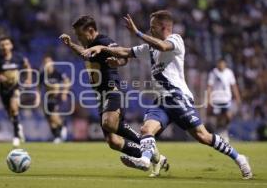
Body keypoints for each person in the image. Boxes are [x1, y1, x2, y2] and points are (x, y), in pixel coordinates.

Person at [82, 10, 252, 179]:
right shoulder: (150, 47)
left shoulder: (176, 40)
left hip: (178, 98)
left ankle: (239, 158)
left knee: (203, 136)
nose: (150, 30)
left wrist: (137, 33)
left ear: (163, 27)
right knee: (146, 129)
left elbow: (162, 46)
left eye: (152, 27)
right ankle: (145, 160)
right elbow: (125, 52)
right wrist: (103, 48)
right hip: (161, 101)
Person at [59, 15, 168, 176]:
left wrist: (118, 62)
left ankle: (147, 145)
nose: (79, 39)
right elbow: (84, 54)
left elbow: (123, 56)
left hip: (113, 90)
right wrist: (71, 45)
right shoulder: (89, 45)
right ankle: (155, 157)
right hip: (101, 96)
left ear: (90, 30)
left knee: (109, 123)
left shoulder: (104, 41)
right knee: (114, 142)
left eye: (80, 36)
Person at [0, 35, 32, 147]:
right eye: (2, 45)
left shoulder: (18, 57)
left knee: (14, 107)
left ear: (11, 45)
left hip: (16, 87)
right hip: (3, 89)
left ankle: (16, 136)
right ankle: (18, 126)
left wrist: (28, 78)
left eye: (7, 44)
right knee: (10, 113)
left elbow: (27, 66)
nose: (5, 47)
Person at [207, 59, 241, 142]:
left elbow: (233, 85)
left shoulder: (229, 73)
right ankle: (219, 134)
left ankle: (224, 131)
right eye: (220, 64)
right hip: (217, 99)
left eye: (222, 64)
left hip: (226, 99)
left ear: (225, 64)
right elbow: (209, 86)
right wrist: (209, 99)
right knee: (218, 118)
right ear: (218, 64)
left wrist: (237, 97)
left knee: (228, 116)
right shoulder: (213, 73)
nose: (221, 65)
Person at [39, 55, 70, 143]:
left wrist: (64, 92)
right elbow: (38, 86)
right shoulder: (42, 75)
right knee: (49, 120)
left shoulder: (57, 73)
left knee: (53, 116)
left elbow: (67, 81)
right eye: (45, 62)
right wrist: (37, 97)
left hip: (57, 98)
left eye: (49, 62)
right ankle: (57, 136)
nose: (47, 64)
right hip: (47, 98)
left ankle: (63, 126)